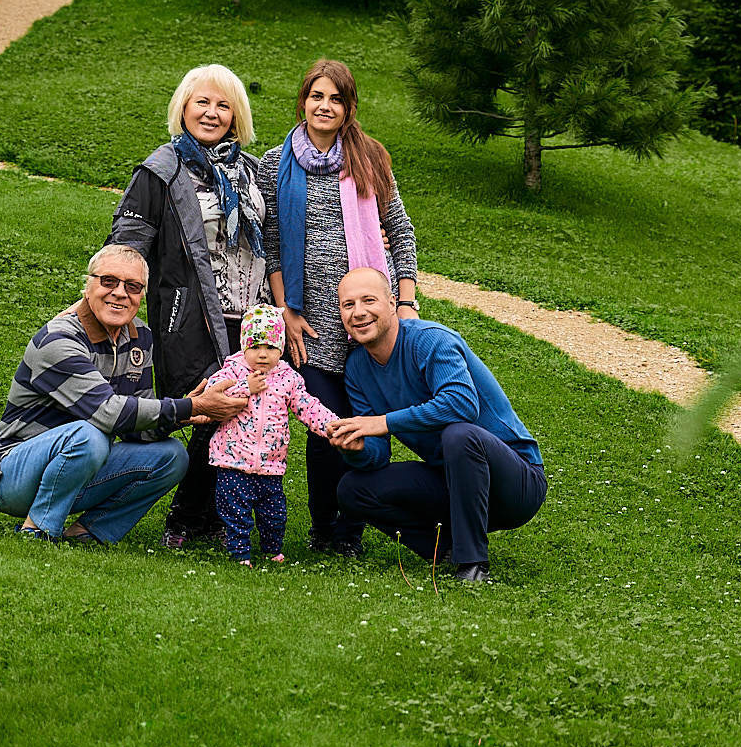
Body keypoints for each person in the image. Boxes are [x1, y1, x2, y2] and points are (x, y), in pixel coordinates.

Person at [0, 244, 252, 544]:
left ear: (141, 295)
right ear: (88, 285)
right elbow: (108, 413)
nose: (120, 293)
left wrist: (192, 414)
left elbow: (137, 429)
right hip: (10, 475)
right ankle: (39, 529)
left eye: (133, 286)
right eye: (108, 281)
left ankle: (91, 533)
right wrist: (190, 405)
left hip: (79, 466)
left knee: (172, 456)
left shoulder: (140, 336)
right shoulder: (59, 339)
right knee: (90, 435)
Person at [257, 59, 420, 557]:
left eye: (336, 99)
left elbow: (402, 230)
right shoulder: (274, 163)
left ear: (349, 108)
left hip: (368, 319)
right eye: (316, 96)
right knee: (326, 426)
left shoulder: (370, 158)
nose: (324, 107)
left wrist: (406, 301)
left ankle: (355, 524)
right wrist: (286, 310)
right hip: (309, 324)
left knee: (366, 421)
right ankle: (327, 528)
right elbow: (270, 244)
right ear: (303, 101)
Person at [111, 64, 268, 549]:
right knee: (212, 406)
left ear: (236, 115)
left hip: (250, 312)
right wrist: (119, 307)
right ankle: (186, 518)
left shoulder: (251, 171)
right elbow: (127, 245)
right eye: (202, 101)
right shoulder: (159, 171)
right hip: (190, 314)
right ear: (182, 106)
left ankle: (211, 517)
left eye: (223, 105)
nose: (212, 112)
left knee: (243, 410)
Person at [328, 267, 545, 583]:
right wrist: (358, 448)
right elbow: (378, 453)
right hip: (454, 483)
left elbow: (462, 405)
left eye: (368, 300)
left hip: (515, 484)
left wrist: (383, 422)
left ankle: (472, 566)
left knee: (459, 434)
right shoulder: (357, 368)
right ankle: (441, 549)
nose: (359, 312)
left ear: (392, 303)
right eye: (348, 305)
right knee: (352, 488)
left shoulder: (431, 340)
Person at [195, 304, 341, 566]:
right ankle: (239, 553)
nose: (262, 354)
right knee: (235, 512)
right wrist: (245, 387)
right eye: (255, 347)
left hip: (270, 465)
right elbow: (213, 398)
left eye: (271, 347)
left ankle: (272, 550)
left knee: (274, 514)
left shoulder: (287, 378)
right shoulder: (232, 371)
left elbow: (307, 406)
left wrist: (331, 424)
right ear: (243, 346)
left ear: (281, 347)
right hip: (233, 461)